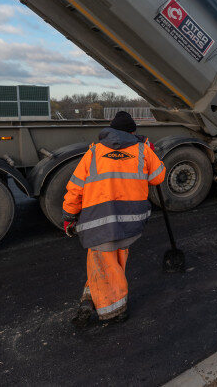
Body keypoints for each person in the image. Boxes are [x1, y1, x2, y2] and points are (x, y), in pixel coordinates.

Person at [62, 111, 165, 326]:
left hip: (98, 222)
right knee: (113, 262)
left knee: (104, 262)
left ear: (111, 130)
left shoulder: (93, 152)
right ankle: (92, 299)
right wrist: (151, 152)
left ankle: (115, 310)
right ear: (133, 132)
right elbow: (158, 177)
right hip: (130, 222)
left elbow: (75, 188)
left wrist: (69, 215)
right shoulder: (142, 150)